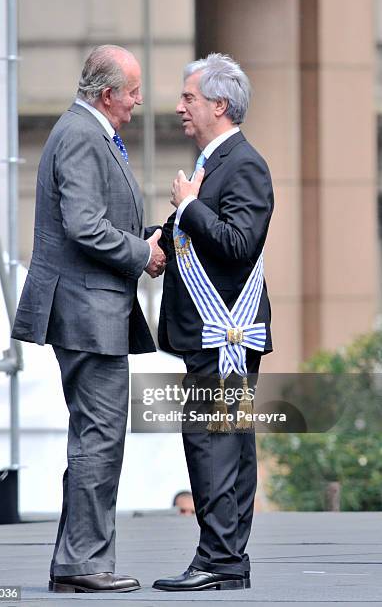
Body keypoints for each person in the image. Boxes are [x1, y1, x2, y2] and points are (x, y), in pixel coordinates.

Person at [11, 45, 165, 594]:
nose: (139, 100)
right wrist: (140, 253)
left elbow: (93, 221)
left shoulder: (85, 131)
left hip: (89, 309)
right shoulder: (81, 134)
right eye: (133, 90)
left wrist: (140, 241)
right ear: (107, 94)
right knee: (99, 438)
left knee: (94, 437)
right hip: (85, 311)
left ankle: (75, 560)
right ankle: (83, 564)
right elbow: (83, 225)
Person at [154, 53, 274, 592]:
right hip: (206, 333)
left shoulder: (243, 164)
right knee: (218, 442)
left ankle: (219, 561)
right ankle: (224, 559)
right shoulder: (214, 161)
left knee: (213, 444)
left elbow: (237, 243)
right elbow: (201, 226)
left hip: (225, 331)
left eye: (189, 98)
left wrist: (188, 206)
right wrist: (162, 233)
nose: (180, 107)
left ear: (219, 105)